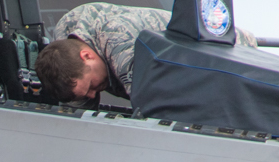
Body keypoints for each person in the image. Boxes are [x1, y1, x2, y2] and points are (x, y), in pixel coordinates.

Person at [36, 2, 258, 106]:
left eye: (92, 85)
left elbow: (148, 104)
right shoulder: (65, 44)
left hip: (231, 57)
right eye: (87, 93)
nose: (94, 94)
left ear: (87, 55)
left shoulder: (118, 41)